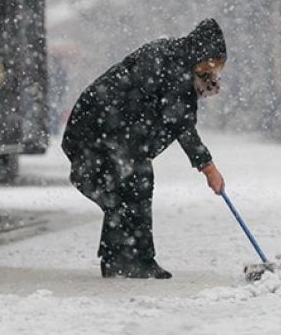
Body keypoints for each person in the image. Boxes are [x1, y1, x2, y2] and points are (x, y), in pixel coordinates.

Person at [61, 18, 227, 279]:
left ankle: (118, 259)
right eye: (214, 65)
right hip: (97, 132)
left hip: (98, 130)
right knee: (136, 180)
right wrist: (209, 169)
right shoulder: (174, 69)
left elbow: (170, 114)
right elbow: (180, 123)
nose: (215, 72)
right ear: (202, 54)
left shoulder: (173, 58)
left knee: (122, 190)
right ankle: (138, 260)